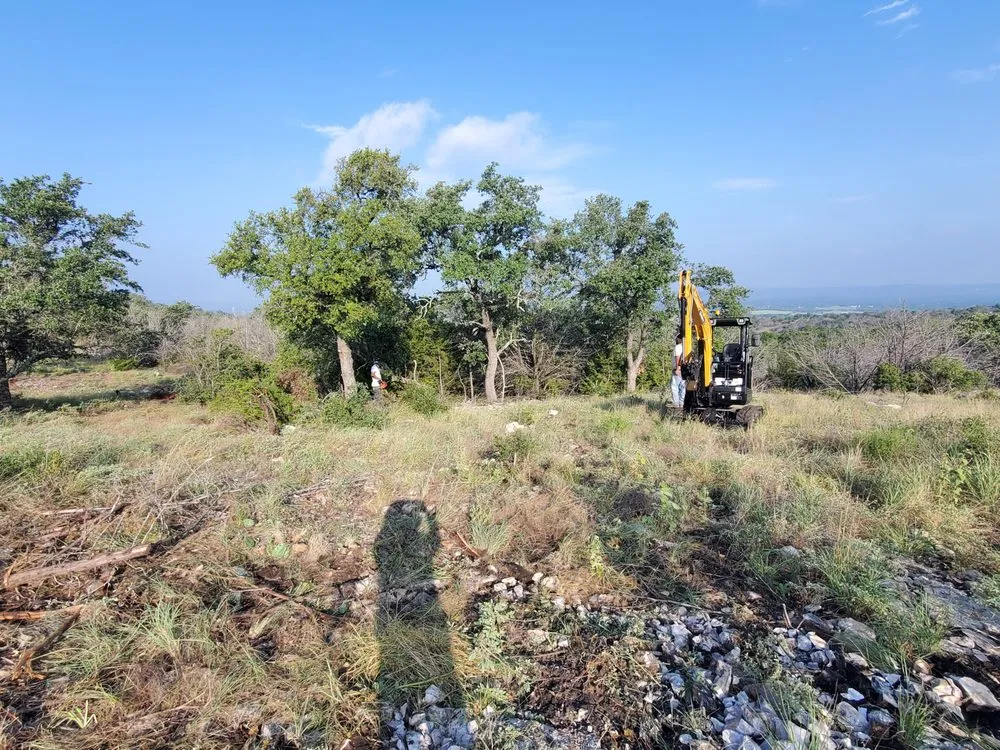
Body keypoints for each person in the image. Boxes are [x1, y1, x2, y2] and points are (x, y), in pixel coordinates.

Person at [671, 335, 686, 408]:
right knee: (683, 387)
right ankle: (682, 403)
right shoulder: (687, 347)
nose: (675, 340)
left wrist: (678, 369)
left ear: (679, 339)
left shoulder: (678, 347)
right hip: (685, 370)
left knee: (675, 386)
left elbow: (678, 357)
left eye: (676, 338)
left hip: (678, 370)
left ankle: (676, 404)